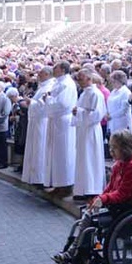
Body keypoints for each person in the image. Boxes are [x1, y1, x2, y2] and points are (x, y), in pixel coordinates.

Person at [53, 130, 132, 264]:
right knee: (87, 213)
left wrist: (103, 200)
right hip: (119, 205)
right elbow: (109, 188)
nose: (111, 151)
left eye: (114, 148)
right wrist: (99, 199)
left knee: (89, 217)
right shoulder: (119, 165)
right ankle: (79, 254)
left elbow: (123, 194)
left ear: (125, 147)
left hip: (128, 210)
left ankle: (73, 253)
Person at [72, 70, 107, 200]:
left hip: (91, 130)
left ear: (88, 78)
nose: (79, 81)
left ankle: (92, 188)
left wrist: (79, 111)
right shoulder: (84, 93)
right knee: (82, 159)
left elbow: (97, 114)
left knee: (90, 158)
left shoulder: (95, 94)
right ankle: (82, 188)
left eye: (81, 78)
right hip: (83, 130)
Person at [44, 61, 78, 193]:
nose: (53, 69)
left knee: (63, 153)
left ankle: (65, 184)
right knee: (55, 153)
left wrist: (47, 99)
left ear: (63, 70)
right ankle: (57, 183)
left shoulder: (67, 84)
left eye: (55, 68)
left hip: (63, 122)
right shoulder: (58, 82)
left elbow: (63, 104)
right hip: (56, 120)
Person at [21, 67, 54, 184]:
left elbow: (43, 105)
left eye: (40, 73)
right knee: (34, 148)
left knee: (40, 148)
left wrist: (31, 102)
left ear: (47, 74)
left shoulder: (49, 86)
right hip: (36, 121)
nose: (38, 75)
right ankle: (34, 176)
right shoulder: (43, 86)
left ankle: (40, 177)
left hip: (42, 121)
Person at [106, 70, 131, 136]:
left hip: (121, 122)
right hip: (112, 121)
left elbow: (123, 110)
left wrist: (111, 116)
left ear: (120, 81)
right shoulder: (113, 91)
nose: (112, 83)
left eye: (114, 82)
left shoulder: (125, 92)